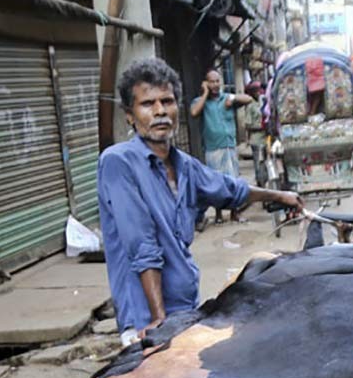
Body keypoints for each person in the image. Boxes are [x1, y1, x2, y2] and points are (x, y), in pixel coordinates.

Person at [98, 58, 303, 346]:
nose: (160, 111)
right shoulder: (118, 163)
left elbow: (231, 190)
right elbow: (141, 245)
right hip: (148, 320)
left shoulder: (184, 166)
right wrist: (160, 321)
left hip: (184, 308)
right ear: (129, 115)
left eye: (167, 101)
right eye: (148, 104)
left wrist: (281, 196)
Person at [190, 69, 252, 223]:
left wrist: (232, 97)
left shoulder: (227, 99)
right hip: (213, 149)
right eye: (212, 81)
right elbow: (193, 112)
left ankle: (235, 212)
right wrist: (204, 94)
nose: (216, 84)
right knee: (216, 183)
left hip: (229, 147)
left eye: (218, 81)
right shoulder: (200, 102)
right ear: (206, 83)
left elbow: (248, 99)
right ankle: (218, 214)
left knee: (233, 180)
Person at [243, 81, 266, 185]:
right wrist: (260, 127)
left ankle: (265, 179)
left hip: (265, 138)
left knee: (265, 161)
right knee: (258, 162)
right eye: (256, 91)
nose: (258, 93)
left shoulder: (262, 102)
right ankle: (259, 181)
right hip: (256, 138)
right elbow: (247, 124)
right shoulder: (250, 106)